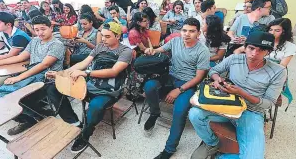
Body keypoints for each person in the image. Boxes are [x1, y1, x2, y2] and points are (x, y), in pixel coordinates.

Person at [189, 31, 287, 159]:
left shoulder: (278, 71)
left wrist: (241, 92)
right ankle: (212, 143)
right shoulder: (235, 59)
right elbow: (214, 70)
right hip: (227, 104)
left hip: (251, 112)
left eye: (261, 50)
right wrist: (217, 79)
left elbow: (268, 103)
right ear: (245, 47)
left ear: (268, 52)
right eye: (251, 48)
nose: (254, 53)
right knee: (194, 114)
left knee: (254, 157)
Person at [45, 21, 132, 153]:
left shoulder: (126, 51)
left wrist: (86, 73)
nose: (103, 39)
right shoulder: (99, 47)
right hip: (91, 85)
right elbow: (84, 63)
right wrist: (61, 73)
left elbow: (113, 71)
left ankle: (85, 134)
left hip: (110, 90)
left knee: (96, 106)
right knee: (52, 88)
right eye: (102, 35)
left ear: (118, 36)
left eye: (107, 36)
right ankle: (75, 123)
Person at [0, 15, 65, 135]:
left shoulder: (56, 44)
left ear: (51, 27)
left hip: (47, 79)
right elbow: (20, 57)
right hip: (31, 75)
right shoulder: (35, 41)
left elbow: (43, 65)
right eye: (36, 30)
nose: (40, 33)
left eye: (43, 29)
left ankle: (36, 116)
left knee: (7, 99)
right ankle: (30, 118)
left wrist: (18, 78)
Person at [143, 18, 210, 159]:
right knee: (149, 86)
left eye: (192, 31)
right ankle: (155, 113)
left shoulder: (203, 51)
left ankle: (169, 149)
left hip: (188, 83)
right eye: (184, 30)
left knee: (179, 112)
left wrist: (179, 90)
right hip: (170, 77)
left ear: (198, 33)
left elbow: (198, 78)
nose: (187, 34)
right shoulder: (175, 41)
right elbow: (160, 50)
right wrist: (151, 50)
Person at [234, 18, 295, 104]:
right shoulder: (262, 40)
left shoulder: (290, 46)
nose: (272, 33)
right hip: (252, 65)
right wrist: (239, 64)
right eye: (270, 29)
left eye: (277, 30)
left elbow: (282, 66)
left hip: (272, 72)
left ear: (284, 32)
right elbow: (237, 51)